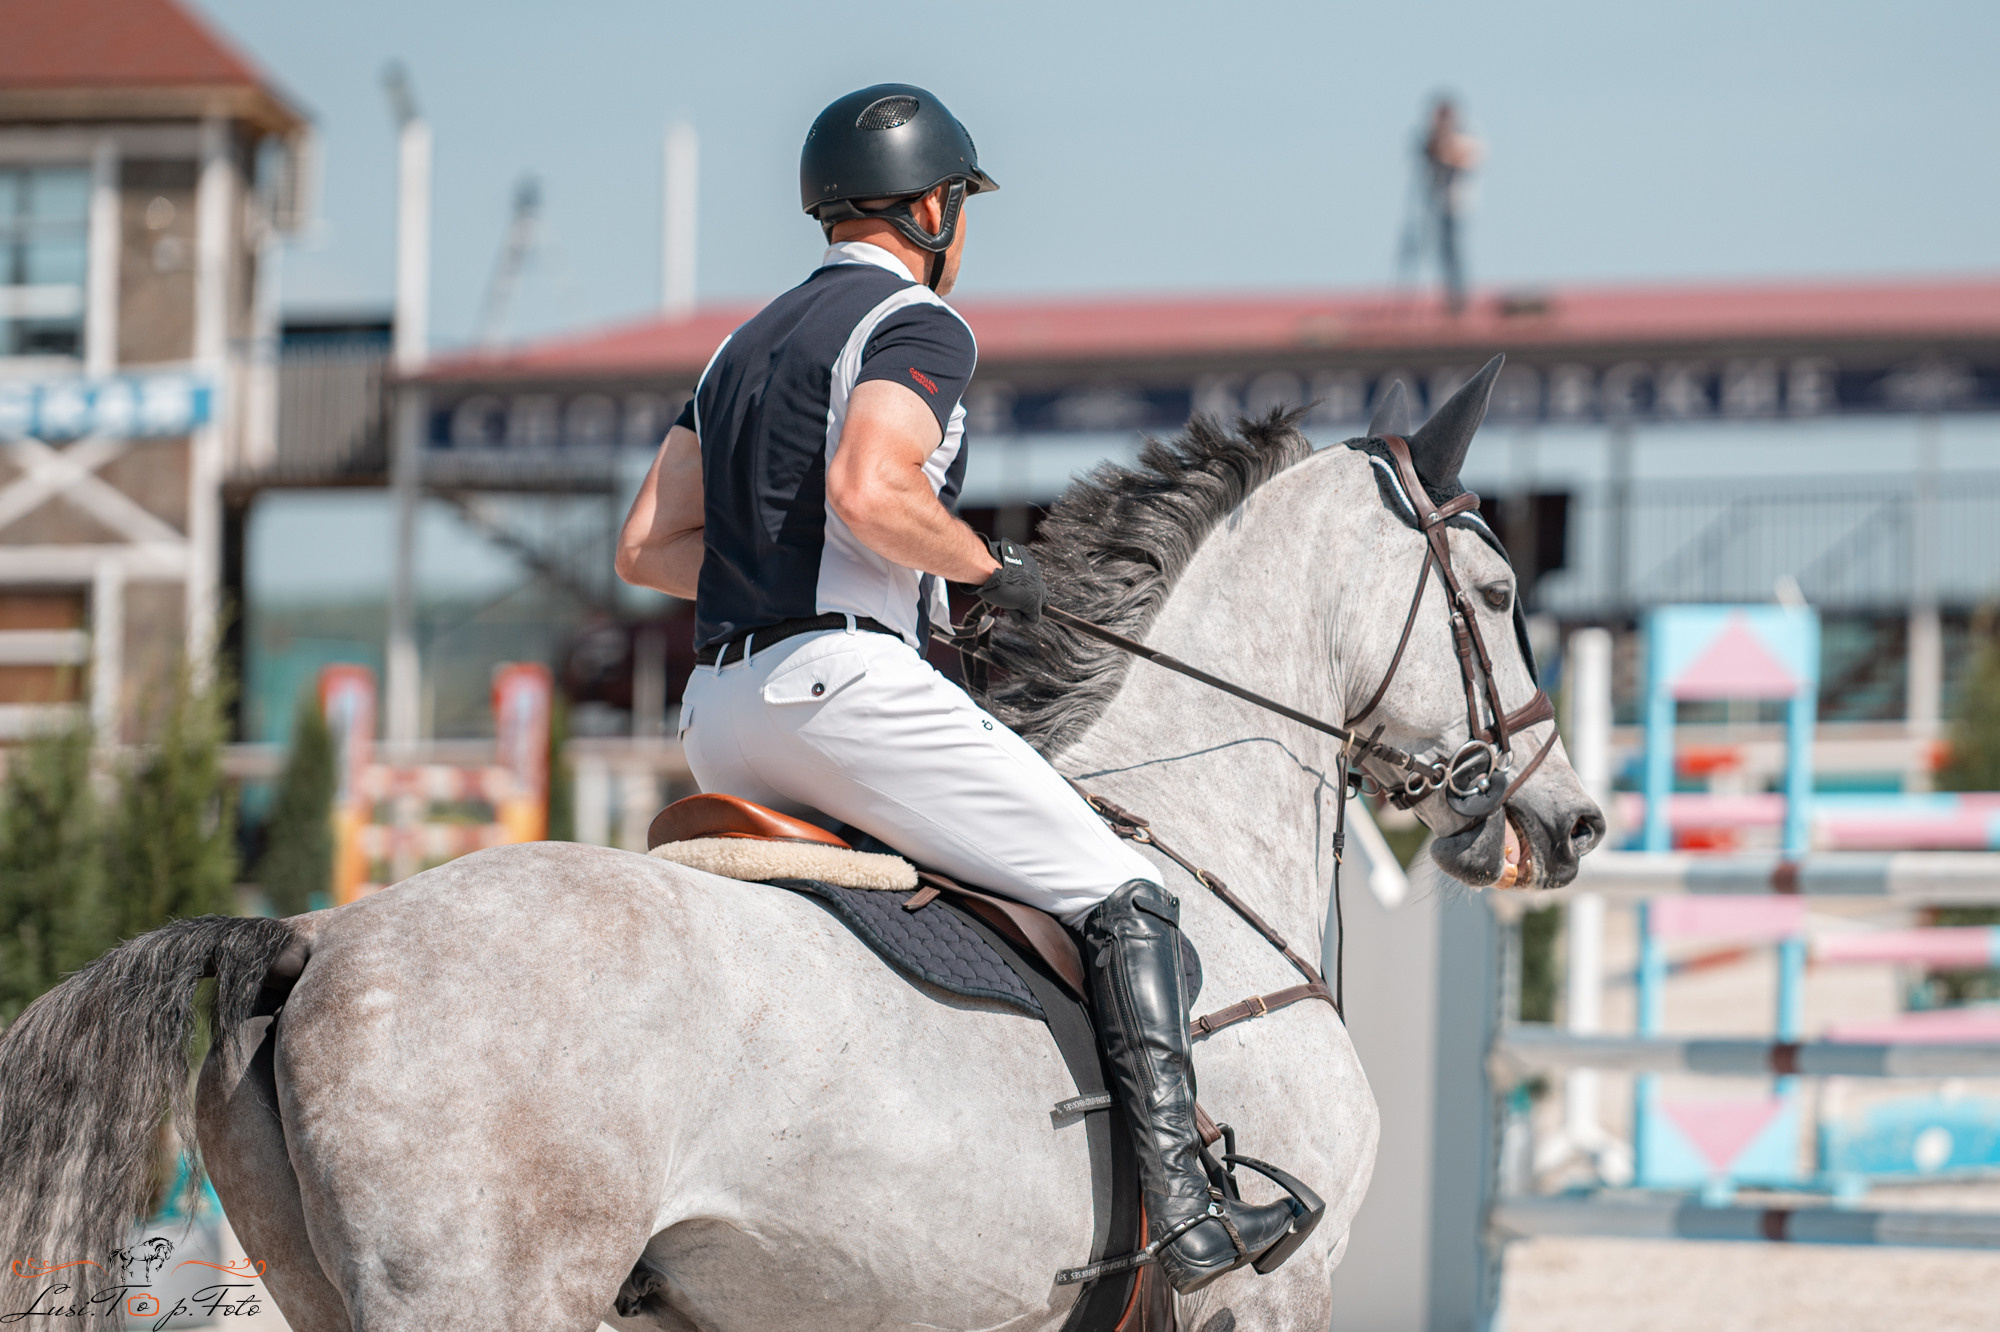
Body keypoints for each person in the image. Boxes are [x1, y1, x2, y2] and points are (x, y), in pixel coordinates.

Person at [615, 83, 1305, 1292]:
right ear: (934, 206)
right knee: (1125, 889)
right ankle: (1189, 1213)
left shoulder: (740, 343)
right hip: (839, 693)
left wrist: (845, 582)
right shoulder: (919, 325)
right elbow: (871, 492)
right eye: (959, 205)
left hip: (719, 717)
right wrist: (994, 572)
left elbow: (647, 548)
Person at [1422, 96, 1482, 314]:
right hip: (1438, 205)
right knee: (1443, 252)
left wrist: (1445, 140)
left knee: (1455, 252)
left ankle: (1460, 298)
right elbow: (1427, 156)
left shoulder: (1467, 139)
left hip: (1458, 206)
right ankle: (1450, 295)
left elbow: (1458, 160)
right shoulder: (1432, 139)